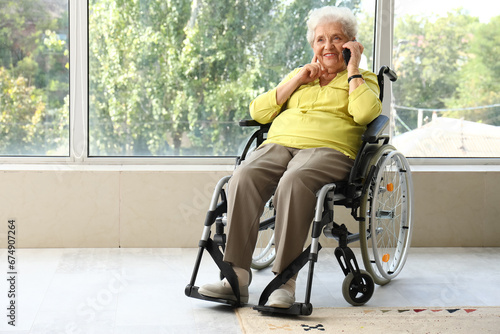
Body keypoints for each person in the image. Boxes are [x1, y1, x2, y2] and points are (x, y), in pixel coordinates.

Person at [198, 6, 382, 308]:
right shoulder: (300, 76)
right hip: (279, 145)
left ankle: (285, 281)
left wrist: (353, 69)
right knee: (243, 176)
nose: (327, 46)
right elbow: (258, 111)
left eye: (337, 39)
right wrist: (297, 80)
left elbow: (365, 113)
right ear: (313, 45)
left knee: (294, 181)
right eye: (320, 39)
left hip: (329, 150)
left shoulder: (363, 78)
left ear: (351, 44)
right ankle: (236, 278)